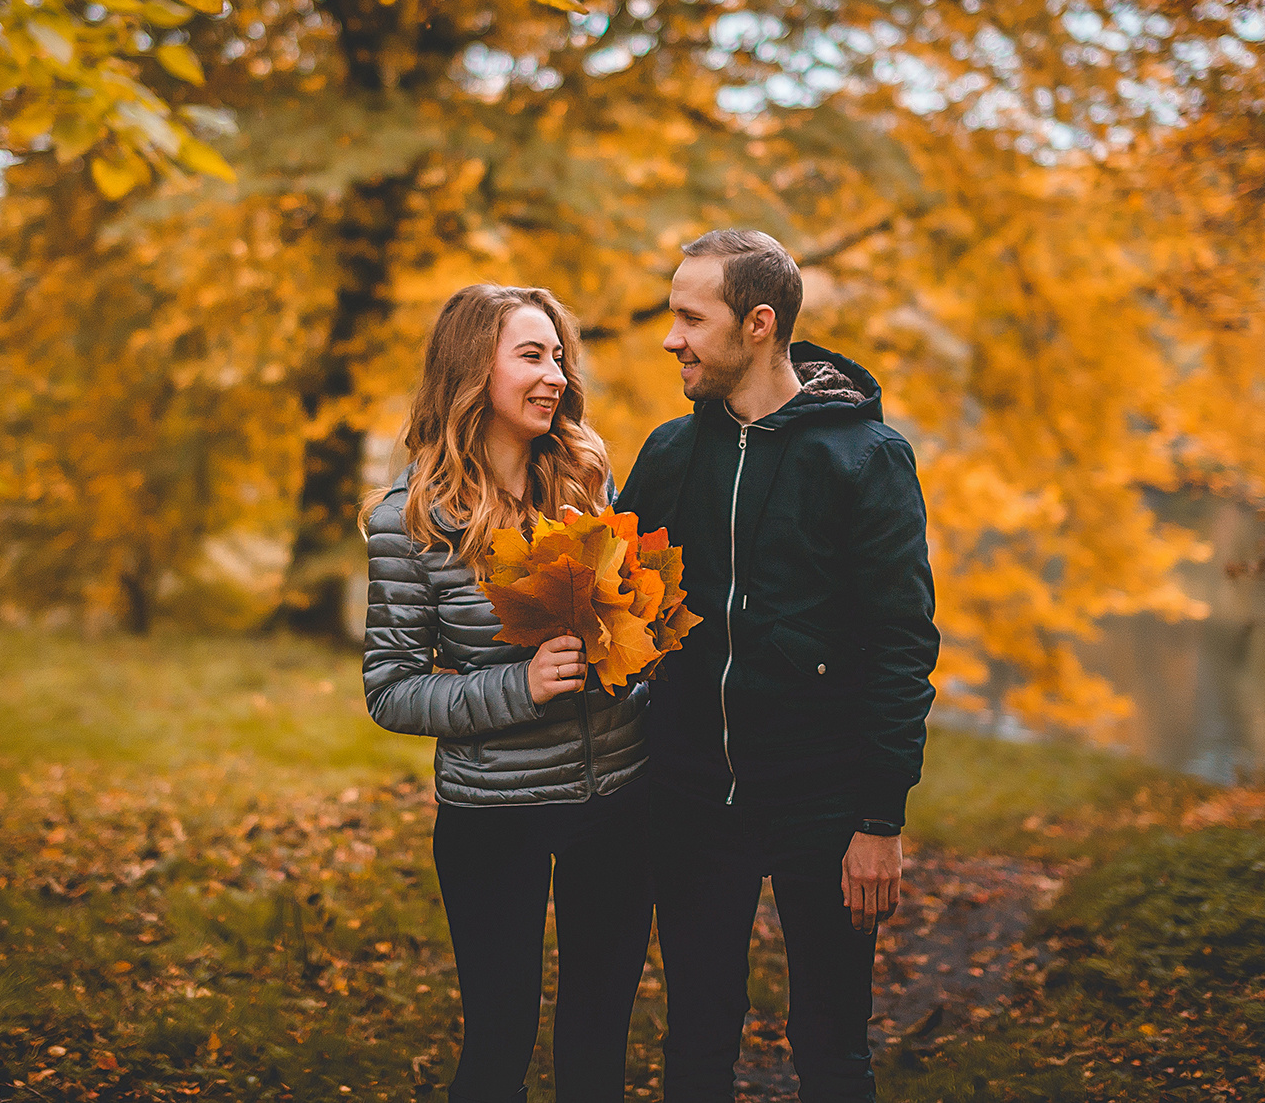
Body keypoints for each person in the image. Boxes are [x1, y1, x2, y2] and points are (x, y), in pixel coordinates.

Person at [615, 230, 940, 1103]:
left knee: (832, 1048)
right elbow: (619, 607)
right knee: (695, 1046)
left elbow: (901, 644)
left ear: (758, 323)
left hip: (825, 806)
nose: (670, 337)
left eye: (690, 317)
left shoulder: (865, 458)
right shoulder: (670, 453)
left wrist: (879, 818)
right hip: (689, 797)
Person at [360, 284, 653, 1103]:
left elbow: (628, 622)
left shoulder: (589, 484)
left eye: (559, 355)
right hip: (495, 816)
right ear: (470, 369)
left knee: (598, 1046)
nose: (555, 373)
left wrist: (641, 638)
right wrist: (516, 687)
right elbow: (390, 689)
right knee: (498, 1047)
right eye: (532, 354)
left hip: (616, 801)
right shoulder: (410, 521)